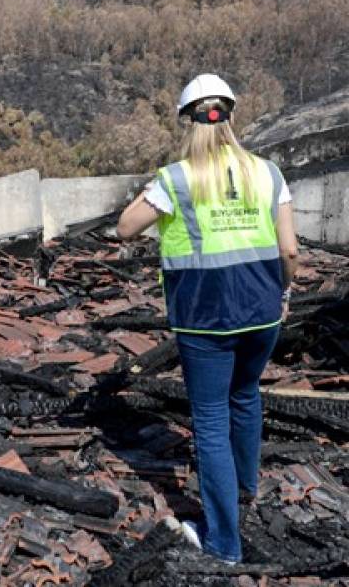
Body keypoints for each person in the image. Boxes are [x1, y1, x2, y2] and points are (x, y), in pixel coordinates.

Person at [116, 74, 299, 564]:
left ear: (187, 122)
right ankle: (245, 488)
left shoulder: (175, 178)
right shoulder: (268, 172)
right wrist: (283, 292)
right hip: (262, 314)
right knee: (246, 394)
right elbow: (290, 248)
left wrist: (149, 192)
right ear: (231, 116)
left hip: (203, 319)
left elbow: (125, 228)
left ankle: (223, 542)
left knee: (212, 421)